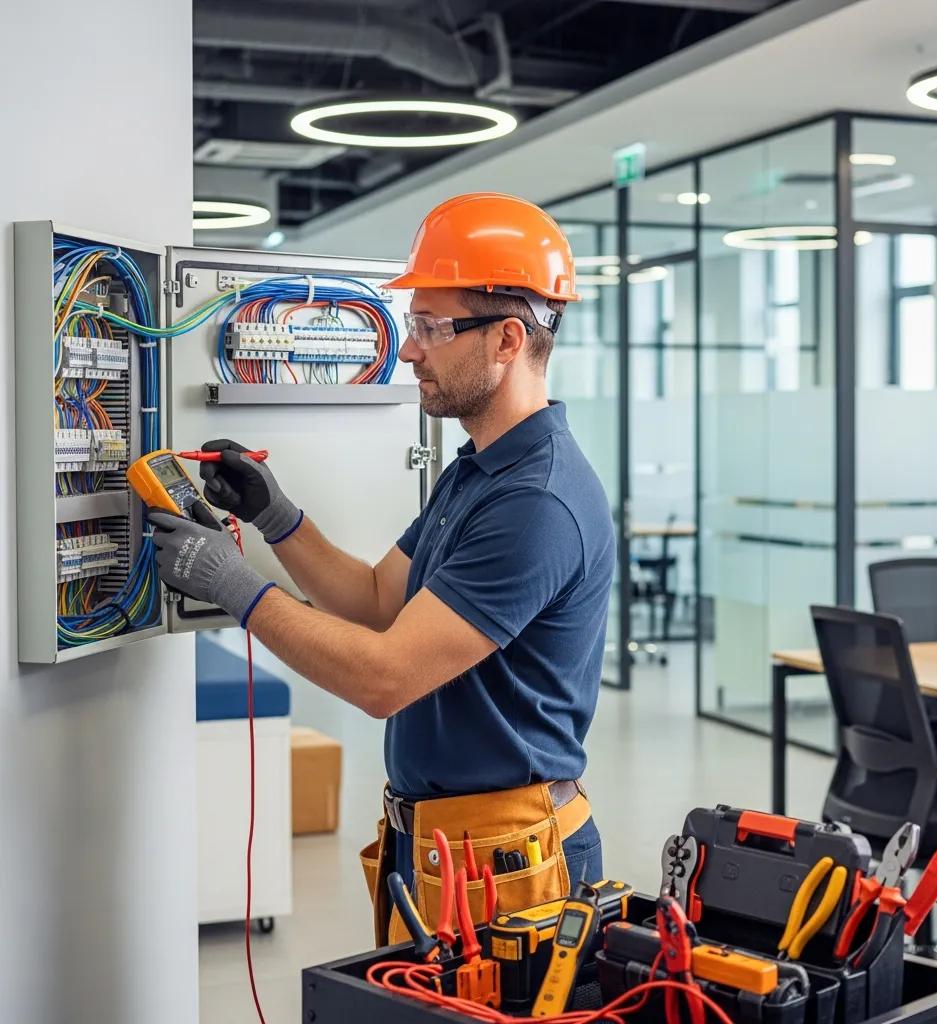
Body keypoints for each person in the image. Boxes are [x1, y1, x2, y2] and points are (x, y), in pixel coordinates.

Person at [147, 193, 616, 945]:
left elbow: (384, 676)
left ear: (506, 339)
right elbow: (374, 599)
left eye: (432, 326)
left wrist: (233, 584)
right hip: (441, 848)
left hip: (506, 860)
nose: (409, 349)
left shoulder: (537, 501)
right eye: (412, 325)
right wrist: (278, 519)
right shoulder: (480, 471)